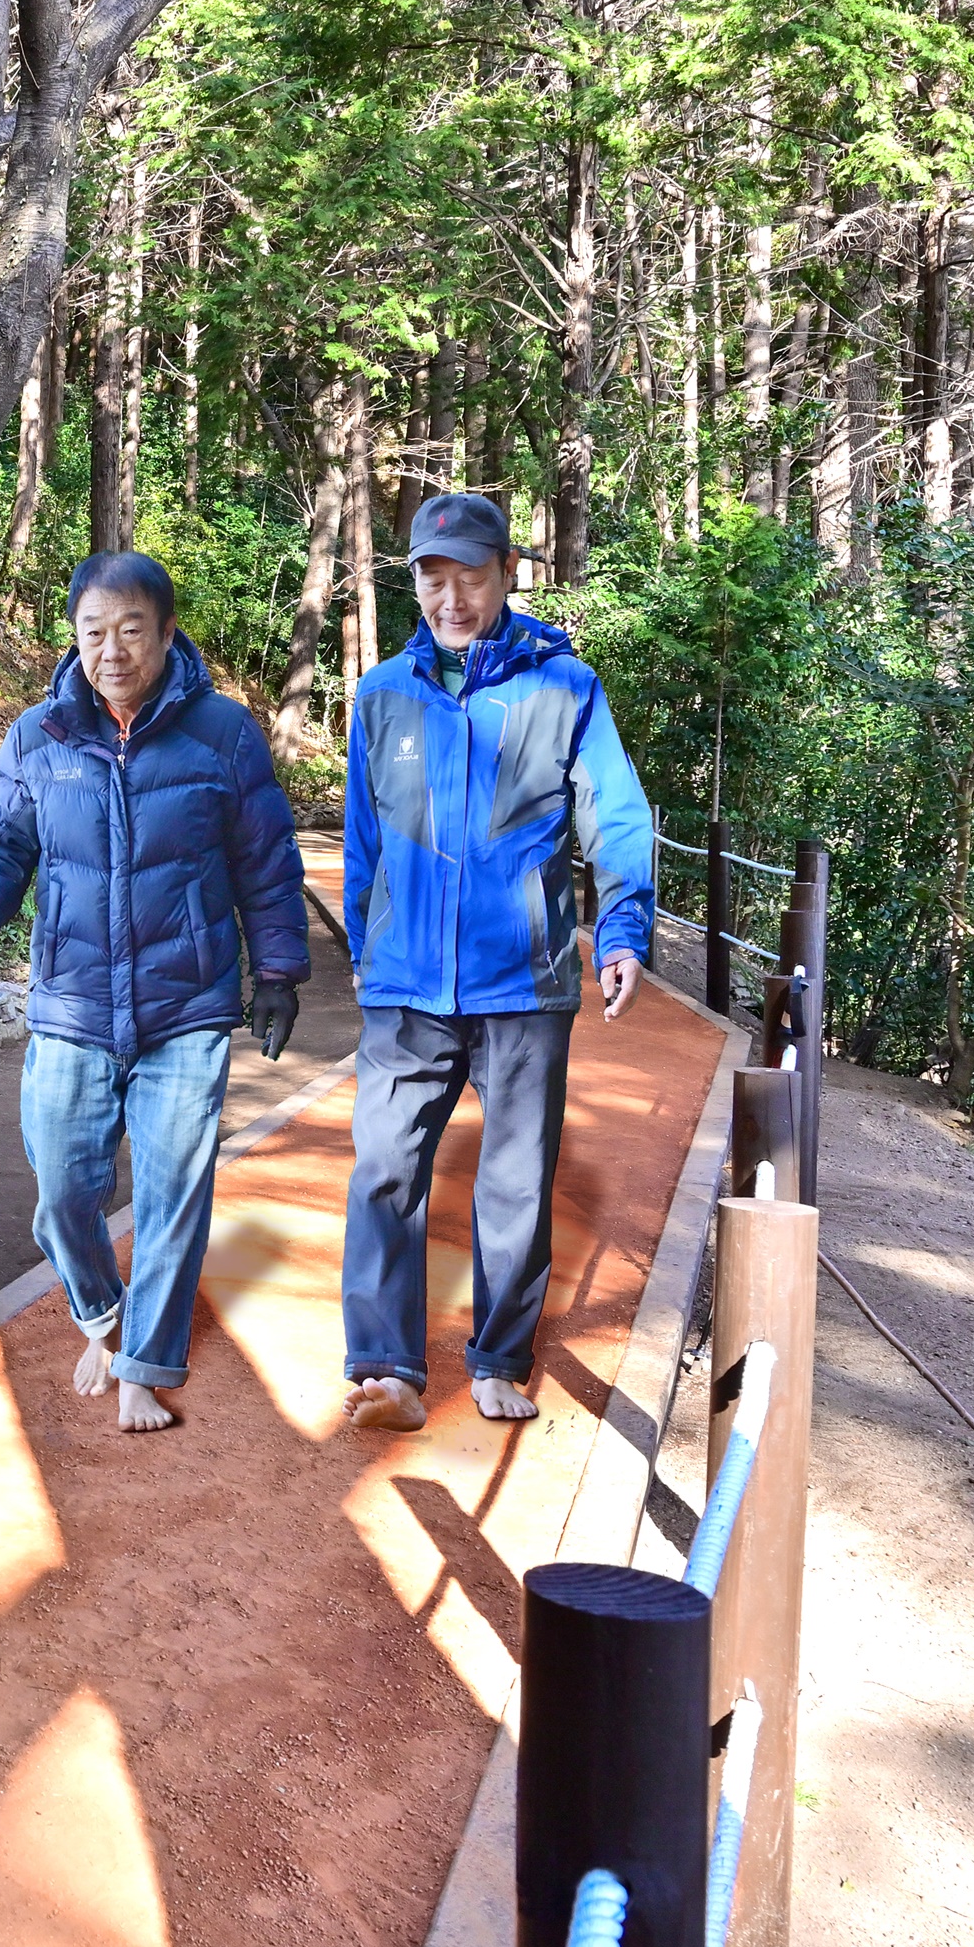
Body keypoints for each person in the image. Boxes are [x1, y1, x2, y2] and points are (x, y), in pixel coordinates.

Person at [0, 551, 310, 1431]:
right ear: (73, 636)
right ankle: (102, 1313)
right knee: (63, 1185)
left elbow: (266, 861)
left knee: (176, 1186)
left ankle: (145, 1362)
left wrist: (281, 971)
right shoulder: (40, 735)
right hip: (73, 998)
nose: (112, 649)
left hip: (189, 1002)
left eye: (131, 629)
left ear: (167, 632)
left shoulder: (224, 734)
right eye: (94, 630)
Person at [336, 492, 656, 1433]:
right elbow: (365, 838)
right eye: (432, 578)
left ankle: (499, 1358)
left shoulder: (567, 687)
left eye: (468, 574)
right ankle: (387, 1368)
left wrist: (625, 929)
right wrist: (365, 945)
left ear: (506, 571)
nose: (450, 596)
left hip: (524, 978)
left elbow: (617, 813)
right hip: (406, 984)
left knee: (516, 1176)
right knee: (385, 1168)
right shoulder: (384, 692)